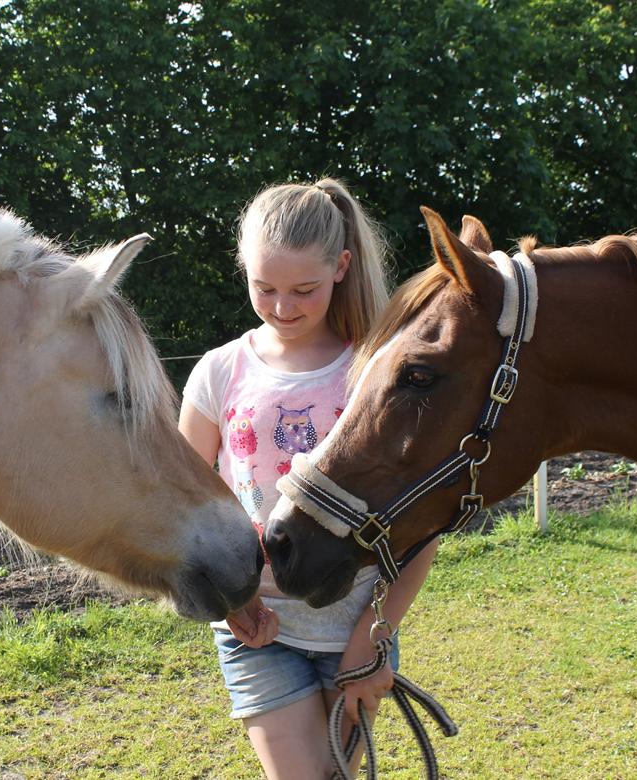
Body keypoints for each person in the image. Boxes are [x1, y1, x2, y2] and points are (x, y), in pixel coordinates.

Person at [179, 178, 439, 779]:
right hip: (254, 627)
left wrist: (375, 635)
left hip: (356, 617)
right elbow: (186, 506)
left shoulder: (377, 372)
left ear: (342, 266)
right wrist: (230, 598)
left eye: (304, 289)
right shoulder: (218, 372)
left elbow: (419, 530)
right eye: (263, 287)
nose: (282, 307)